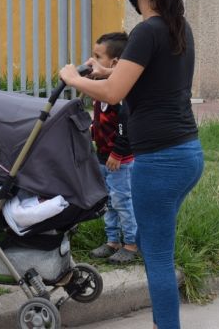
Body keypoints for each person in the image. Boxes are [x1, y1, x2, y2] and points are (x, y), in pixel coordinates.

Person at [59, 0, 204, 329]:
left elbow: (112, 93)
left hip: (159, 161)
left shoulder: (145, 31)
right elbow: (138, 79)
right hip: (188, 153)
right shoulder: (178, 27)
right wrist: (103, 70)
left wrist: (73, 78)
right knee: (161, 247)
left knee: (156, 257)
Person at [86, 32, 139, 265]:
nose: (92, 60)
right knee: (107, 200)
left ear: (115, 63)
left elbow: (124, 127)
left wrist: (117, 153)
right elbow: (101, 121)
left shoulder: (120, 94)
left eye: (98, 56)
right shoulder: (101, 88)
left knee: (122, 201)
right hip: (103, 157)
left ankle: (131, 243)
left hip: (120, 160)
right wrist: (91, 132)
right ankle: (112, 241)